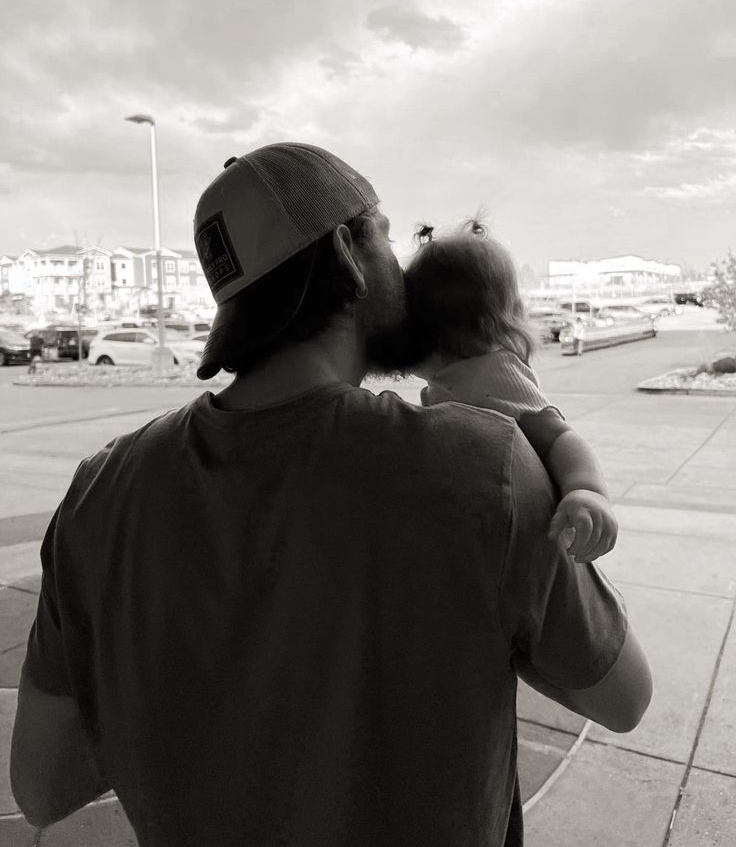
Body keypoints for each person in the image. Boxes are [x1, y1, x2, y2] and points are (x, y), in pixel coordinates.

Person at [11, 143, 652, 847]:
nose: (404, 274)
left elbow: (41, 790)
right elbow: (623, 696)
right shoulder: (484, 467)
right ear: (349, 251)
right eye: (383, 231)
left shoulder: (102, 492)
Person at [402, 220, 617, 563]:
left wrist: (587, 490)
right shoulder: (447, 379)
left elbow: (559, 436)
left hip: (522, 541)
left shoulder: (493, 372)